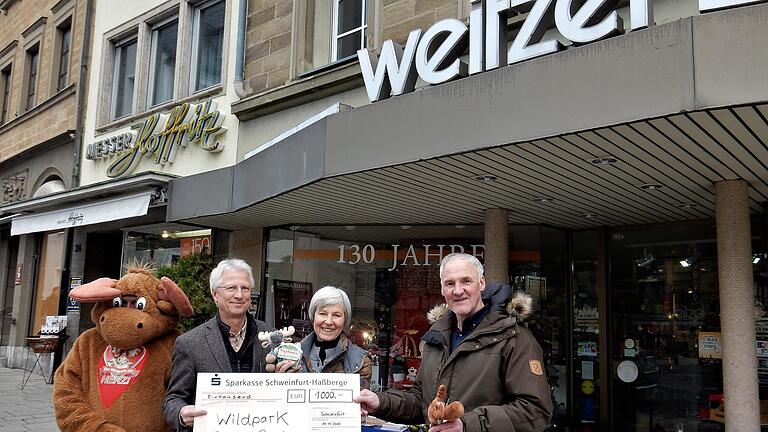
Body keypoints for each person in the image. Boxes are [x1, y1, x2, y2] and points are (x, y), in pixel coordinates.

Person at [355, 253, 553, 432]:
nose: (458, 291)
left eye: (466, 281)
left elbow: (534, 410)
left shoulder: (514, 337)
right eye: (450, 283)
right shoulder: (436, 337)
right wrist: (380, 402)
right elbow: (419, 402)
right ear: (442, 289)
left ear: (481, 283)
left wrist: (466, 425)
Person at [162, 258, 293, 431]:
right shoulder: (190, 343)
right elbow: (173, 399)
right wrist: (180, 412)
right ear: (215, 294)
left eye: (245, 288)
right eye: (231, 288)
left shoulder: (273, 337)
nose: (239, 295)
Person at [297, 286, 372, 388]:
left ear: (344, 320)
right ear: (313, 317)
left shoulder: (360, 362)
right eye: (323, 313)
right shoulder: (292, 354)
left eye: (336, 315)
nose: (328, 321)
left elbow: (358, 401)